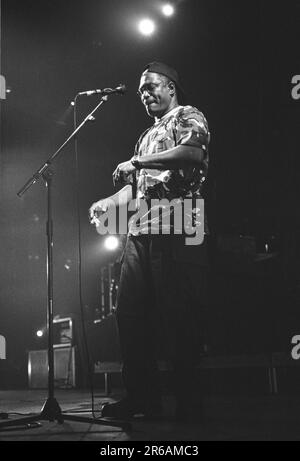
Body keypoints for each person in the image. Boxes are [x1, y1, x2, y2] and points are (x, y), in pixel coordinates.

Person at [89, 62, 210, 421]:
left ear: (171, 87)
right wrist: (109, 203)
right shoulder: (146, 135)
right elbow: (140, 185)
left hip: (180, 222)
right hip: (140, 231)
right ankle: (143, 398)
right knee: (129, 316)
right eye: (142, 90)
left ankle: (189, 403)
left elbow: (193, 154)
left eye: (152, 86)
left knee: (178, 316)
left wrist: (137, 162)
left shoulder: (188, 115)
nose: (145, 94)